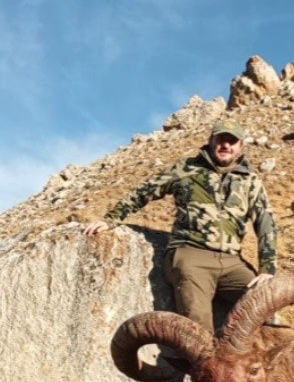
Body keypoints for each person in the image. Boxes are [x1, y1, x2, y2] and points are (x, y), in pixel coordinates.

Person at [84, 118, 277, 332]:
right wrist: (111, 219)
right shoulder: (185, 169)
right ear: (211, 140)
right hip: (191, 255)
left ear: (240, 146)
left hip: (232, 262)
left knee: (267, 304)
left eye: (232, 141)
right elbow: (144, 191)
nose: (226, 145)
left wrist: (267, 268)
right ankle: (200, 365)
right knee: (198, 329)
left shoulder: (250, 180)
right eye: (221, 139)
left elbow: (265, 223)